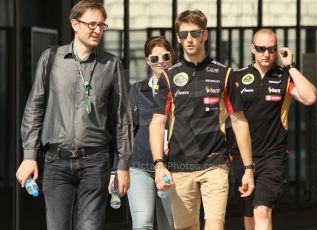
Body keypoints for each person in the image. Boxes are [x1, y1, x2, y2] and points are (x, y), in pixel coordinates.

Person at [16, 1, 133, 229]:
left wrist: (123, 165)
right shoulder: (51, 59)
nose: (97, 30)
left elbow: (123, 118)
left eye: (102, 25)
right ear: (74, 24)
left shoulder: (111, 65)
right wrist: (29, 155)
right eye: (92, 24)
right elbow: (34, 109)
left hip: (95, 161)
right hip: (55, 161)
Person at [149, 9, 255, 230]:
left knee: (214, 226)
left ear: (205, 35)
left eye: (195, 33)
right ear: (178, 37)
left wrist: (248, 168)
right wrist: (159, 165)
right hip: (179, 165)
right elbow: (157, 123)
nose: (189, 39)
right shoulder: (168, 77)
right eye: (183, 34)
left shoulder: (225, 73)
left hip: (214, 164)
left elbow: (239, 122)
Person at [230, 28, 317, 230]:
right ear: (252, 48)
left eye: (271, 49)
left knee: (262, 210)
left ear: (277, 50)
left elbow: (310, 97)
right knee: (249, 216)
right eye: (261, 49)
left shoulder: (284, 77)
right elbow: (222, 115)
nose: (266, 54)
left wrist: (291, 66)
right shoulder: (237, 77)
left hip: (272, 156)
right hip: (242, 157)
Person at [126, 36, 176, 230]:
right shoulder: (138, 90)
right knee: (142, 224)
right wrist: (117, 168)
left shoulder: (182, 89)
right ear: (148, 60)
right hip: (140, 165)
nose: (160, 61)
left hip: (174, 165)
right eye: (154, 58)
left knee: (170, 225)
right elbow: (126, 129)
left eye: (164, 56)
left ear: (172, 56)